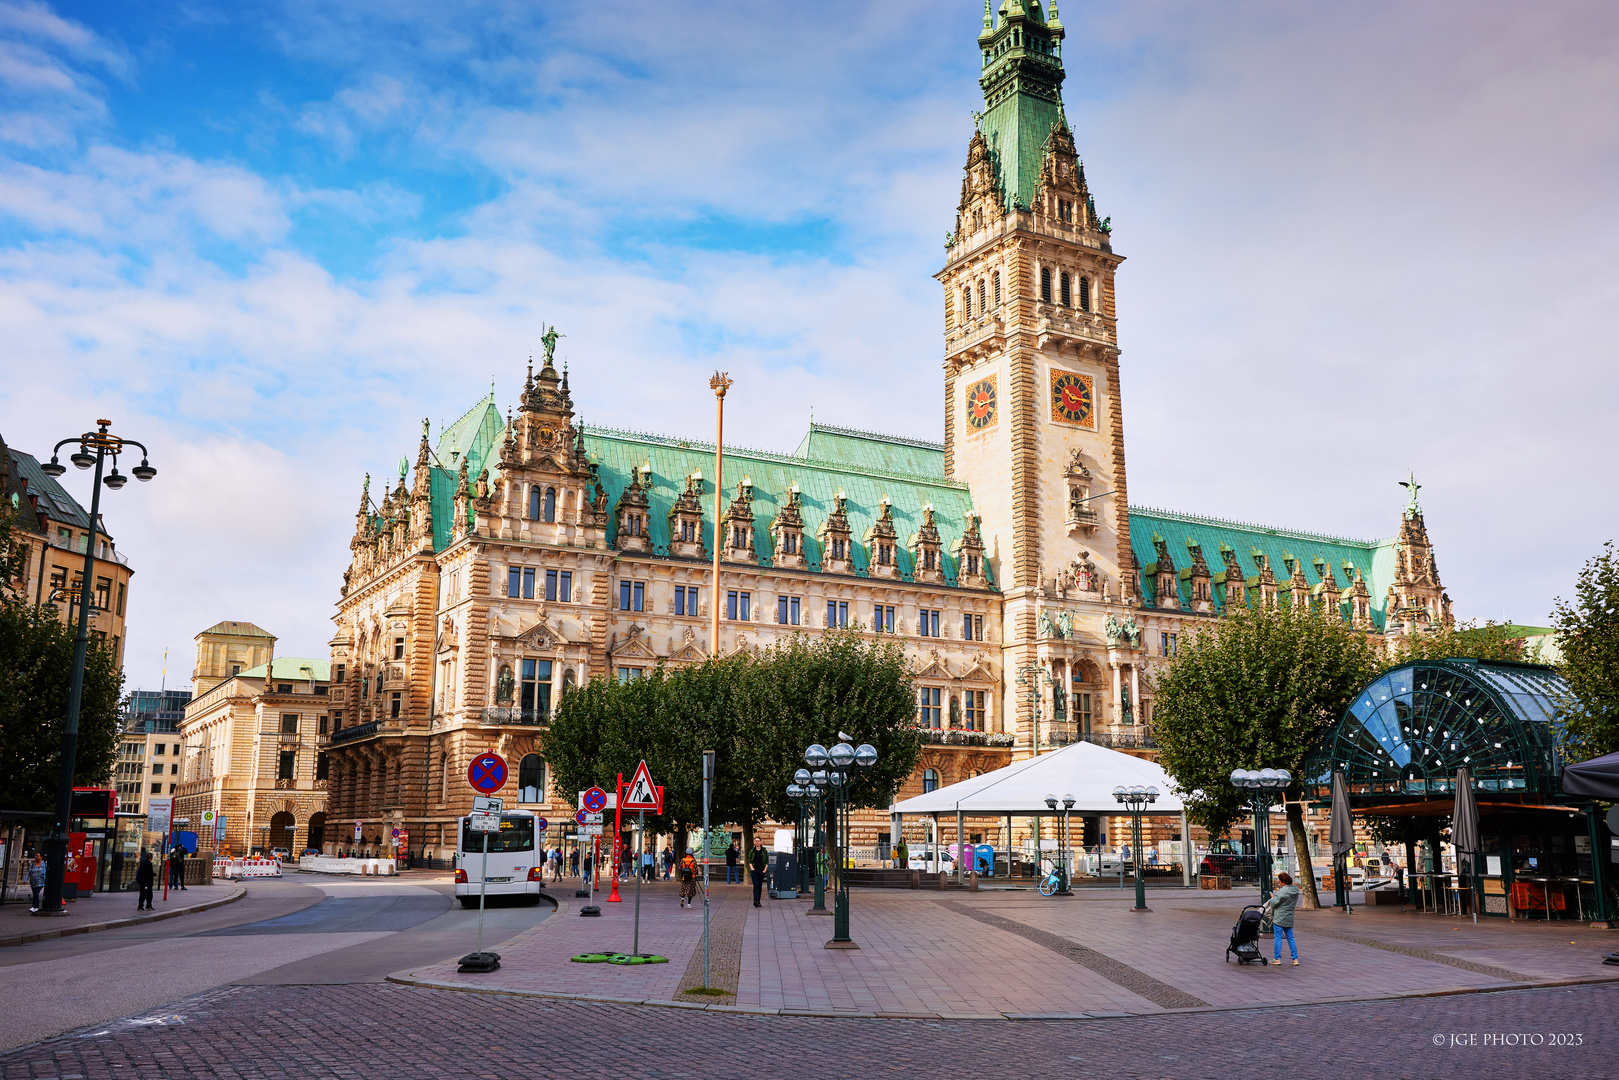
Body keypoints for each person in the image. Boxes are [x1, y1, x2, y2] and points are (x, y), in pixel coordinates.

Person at [1263, 871, 1302, 966]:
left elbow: (1274, 903)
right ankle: (1295, 958)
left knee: (1278, 938)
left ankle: (1277, 958)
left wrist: (1273, 897)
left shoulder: (1282, 891)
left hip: (1279, 917)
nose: (1279, 883)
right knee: (1291, 938)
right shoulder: (1295, 891)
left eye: (1280, 881)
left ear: (1282, 882)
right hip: (1289, 917)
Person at [749, 838, 768, 907]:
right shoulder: (752, 851)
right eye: (756, 841)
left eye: (758, 841)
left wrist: (764, 870)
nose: (757, 842)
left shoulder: (764, 851)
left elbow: (767, 861)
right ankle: (755, 900)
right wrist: (752, 869)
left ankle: (758, 901)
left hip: (761, 871)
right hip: (755, 871)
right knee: (756, 885)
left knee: (759, 886)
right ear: (754, 842)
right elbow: (749, 861)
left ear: (760, 842)